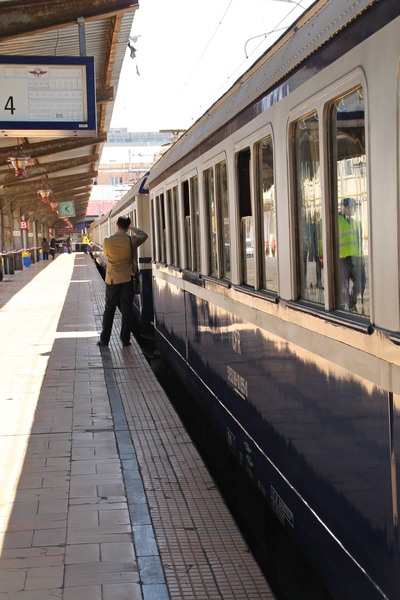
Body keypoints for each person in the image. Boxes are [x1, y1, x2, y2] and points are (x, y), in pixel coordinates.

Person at [97, 215, 148, 347]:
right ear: (127, 226)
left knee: (109, 309)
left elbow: (106, 255)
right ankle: (125, 340)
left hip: (112, 279)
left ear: (116, 225)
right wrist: (132, 228)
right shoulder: (132, 241)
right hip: (127, 279)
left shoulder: (107, 241)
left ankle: (104, 340)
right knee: (127, 310)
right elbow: (144, 235)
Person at [338, 197, 365, 311]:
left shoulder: (354, 222)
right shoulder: (336, 221)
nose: (354, 210)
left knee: (361, 282)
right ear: (345, 208)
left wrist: (362, 258)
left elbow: (358, 241)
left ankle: (351, 303)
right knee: (343, 285)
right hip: (342, 258)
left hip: (356, 257)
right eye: (352, 207)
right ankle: (349, 305)